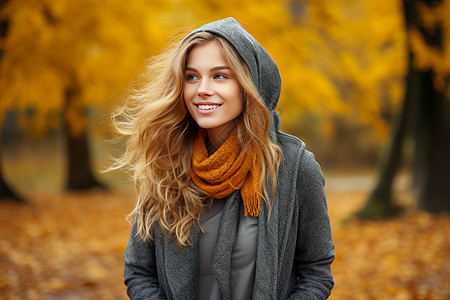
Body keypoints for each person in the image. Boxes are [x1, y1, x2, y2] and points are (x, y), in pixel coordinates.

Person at [116, 17, 335, 299]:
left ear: (248, 84)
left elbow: (315, 271)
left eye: (220, 75)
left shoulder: (294, 168)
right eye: (191, 76)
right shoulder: (165, 163)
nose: (202, 89)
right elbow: (139, 272)